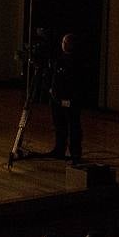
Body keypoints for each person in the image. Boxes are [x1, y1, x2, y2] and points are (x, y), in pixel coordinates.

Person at [48, 33, 85, 163]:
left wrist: (71, 99)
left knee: (73, 126)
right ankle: (59, 149)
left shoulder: (76, 62)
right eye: (63, 42)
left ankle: (75, 152)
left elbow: (76, 83)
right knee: (59, 125)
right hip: (57, 99)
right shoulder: (59, 60)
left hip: (71, 100)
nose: (63, 44)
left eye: (66, 42)